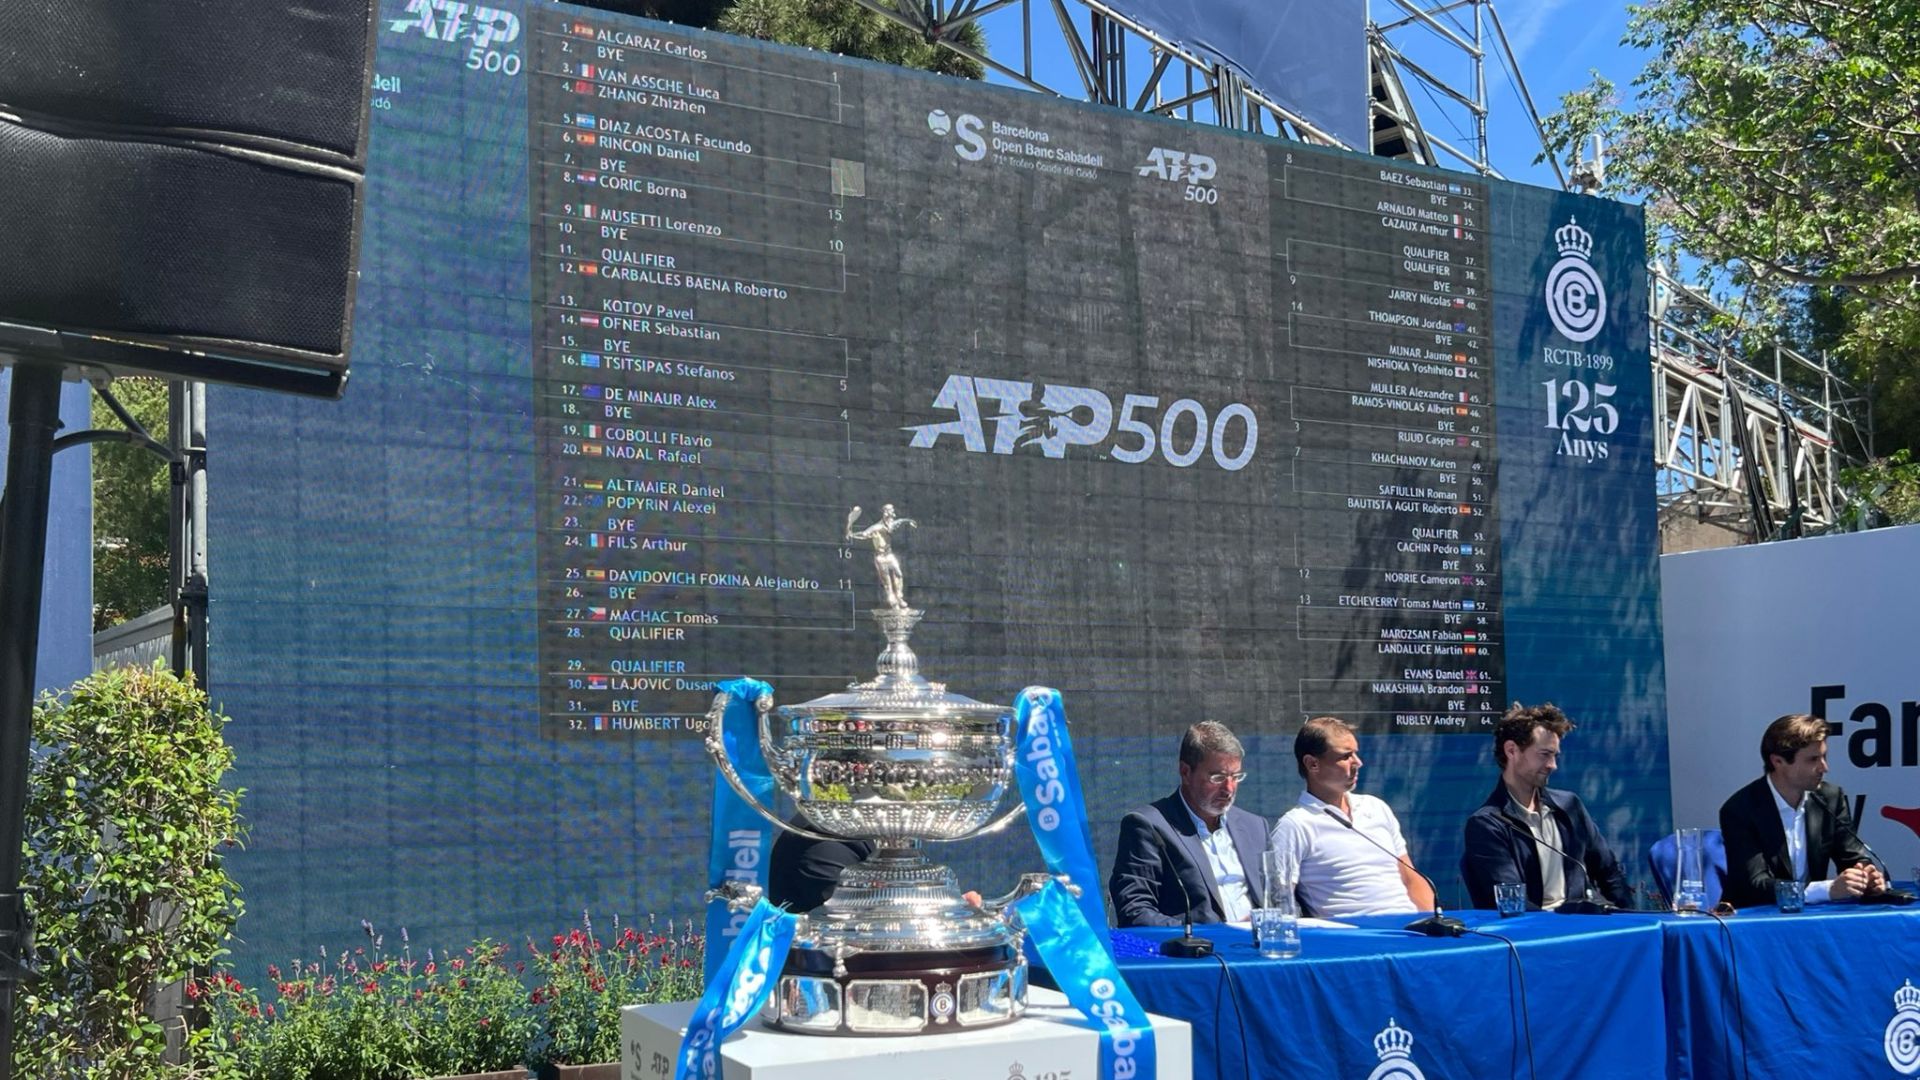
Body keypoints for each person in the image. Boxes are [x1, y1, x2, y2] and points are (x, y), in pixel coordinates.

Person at [1460, 702, 1632, 910]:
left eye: (1555, 756)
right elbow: (1513, 903)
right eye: (1544, 755)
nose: (1553, 765)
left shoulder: (1569, 806)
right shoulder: (1487, 824)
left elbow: (1609, 874)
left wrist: (1635, 919)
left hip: (1583, 926)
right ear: (1512, 751)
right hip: (1534, 936)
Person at [1108, 721, 1270, 927]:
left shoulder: (1255, 827)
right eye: (1218, 777)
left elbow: (1279, 899)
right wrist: (1211, 935)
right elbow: (1135, 912)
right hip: (1202, 954)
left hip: (1262, 949)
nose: (1229, 789)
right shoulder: (1148, 826)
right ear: (1185, 772)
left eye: (1236, 777)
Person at [1268, 716, 1432, 917]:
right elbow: (1279, 900)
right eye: (1346, 756)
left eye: (1356, 753)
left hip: (1410, 930)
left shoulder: (1377, 807)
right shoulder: (1294, 825)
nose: (1358, 763)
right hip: (1352, 939)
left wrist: (1430, 923)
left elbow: (1411, 879)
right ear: (1312, 764)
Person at [1719, 713, 1880, 909]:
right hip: (1757, 921)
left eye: (1824, 756)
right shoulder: (1740, 810)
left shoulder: (1831, 797)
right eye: (1813, 759)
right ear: (1778, 761)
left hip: (1811, 919)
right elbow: (1755, 885)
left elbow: (1852, 855)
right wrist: (1826, 890)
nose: (1824, 768)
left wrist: (1864, 875)